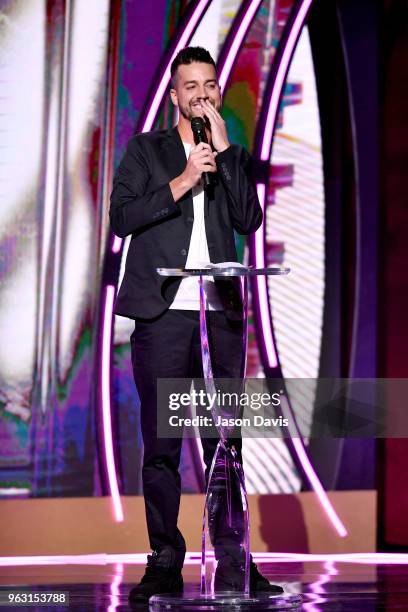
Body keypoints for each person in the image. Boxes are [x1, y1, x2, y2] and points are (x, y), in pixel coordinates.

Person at [109, 46, 283, 603]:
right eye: (192, 86)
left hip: (220, 318)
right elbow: (123, 217)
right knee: (161, 445)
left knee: (225, 444)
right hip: (164, 315)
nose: (203, 94)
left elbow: (247, 220)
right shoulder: (147, 150)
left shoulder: (230, 151)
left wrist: (228, 154)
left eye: (210, 84)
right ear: (175, 96)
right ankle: (164, 558)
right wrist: (184, 180)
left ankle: (236, 560)